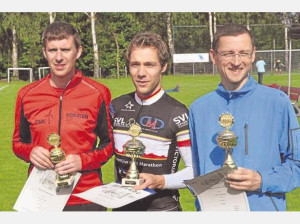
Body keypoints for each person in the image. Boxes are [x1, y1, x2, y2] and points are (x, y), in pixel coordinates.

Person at [189, 23, 300, 211]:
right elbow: (197, 170)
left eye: (243, 53)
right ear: (213, 56)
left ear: (253, 55)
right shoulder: (198, 109)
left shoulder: (278, 103)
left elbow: (297, 164)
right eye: (228, 53)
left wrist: (261, 180)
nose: (236, 61)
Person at [12, 21, 114, 211]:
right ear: (44, 52)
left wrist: (82, 161)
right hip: (41, 197)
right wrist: (30, 152)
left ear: (78, 51)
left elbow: (109, 145)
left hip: (86, 198)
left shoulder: (98, 93)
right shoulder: (26, 94)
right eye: (53, 50)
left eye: (65, 50)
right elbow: (18, 143)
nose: (59, 57)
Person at [110, 32, 194, 211]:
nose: (141, 73)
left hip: (162, 209)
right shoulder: (116, 106)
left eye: (149, 65)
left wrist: (161, 181)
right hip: (122, 208)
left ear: (163, 66)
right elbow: (102, 152)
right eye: (135, 65)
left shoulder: (178, 113)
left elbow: (196, 171)